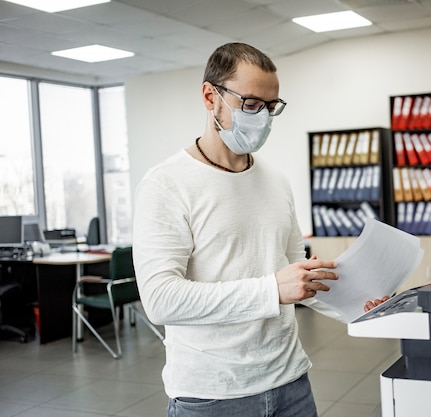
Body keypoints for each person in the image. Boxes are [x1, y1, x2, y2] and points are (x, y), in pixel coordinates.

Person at [133, 42, 388, 417]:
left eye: (271, 107)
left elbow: (293, 272)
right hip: (212, 395)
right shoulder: (165, 184)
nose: (263, 117)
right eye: (251, 104)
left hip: (290, 382)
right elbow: (160, 300)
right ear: (210, 96)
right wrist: (272, 289)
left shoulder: (276, 181)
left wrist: (357, 304)